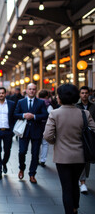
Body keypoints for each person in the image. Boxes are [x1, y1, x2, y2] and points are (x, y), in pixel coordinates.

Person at [44, 84, 95, 214]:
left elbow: (47, 135)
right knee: (75, 183)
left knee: (66, 187)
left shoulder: (55, 114)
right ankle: (75, 207)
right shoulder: (84, 113)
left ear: (60, 98)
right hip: (81, 156)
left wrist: (57, 142)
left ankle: (70, 211)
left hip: (62, 157)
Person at [14, 83, 48, 184]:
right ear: (26, 90)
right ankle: (21, 168)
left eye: (33, 89)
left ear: (36, 91)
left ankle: (32, 174)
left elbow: (45, 115)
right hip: (23, 131)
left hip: (36, 131)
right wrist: (24, 115)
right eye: (30, 89)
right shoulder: (21, 102)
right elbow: (15, 114)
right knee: (22, 152)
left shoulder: (41, 102)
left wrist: (34, 116)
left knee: (35, 154)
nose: (32, 91)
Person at [75, 86, 95, 194]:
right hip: (78, 135)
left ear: (89, 94)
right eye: (82, 93)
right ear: (79, 94)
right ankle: (82, 182)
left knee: (87, 159)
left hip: (90, 136)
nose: (84, 95)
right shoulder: (76, 106)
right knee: (81, 157)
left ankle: (82, 178)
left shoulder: (93, 107)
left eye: (86, 93)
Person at [38, 89, 53, 167]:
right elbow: (51, 115)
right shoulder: (48, 104)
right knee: (45, 143)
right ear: (47, 96)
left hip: (36, 125)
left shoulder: (36, 102)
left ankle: (36, 157)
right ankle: (43, 159)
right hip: (45, 126)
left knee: (37, 143)